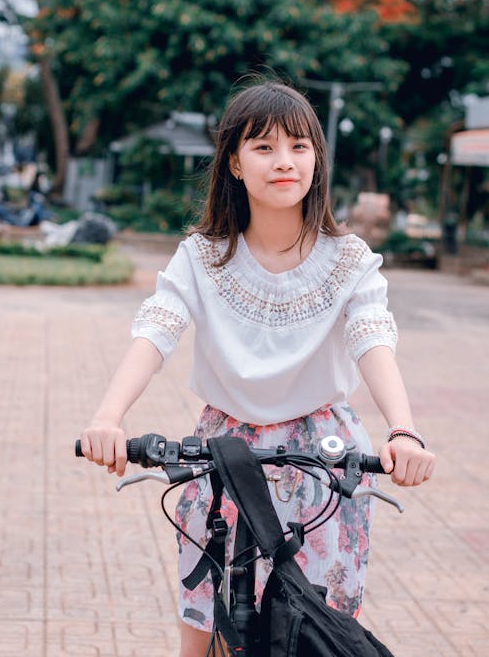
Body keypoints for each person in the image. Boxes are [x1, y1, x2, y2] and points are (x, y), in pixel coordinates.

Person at [80, 79, 435, 657]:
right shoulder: (203, 254)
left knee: (317, 635)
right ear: (235, 164)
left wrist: (403, 429)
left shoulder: (348, 259)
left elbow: (372, 337)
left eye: (298, 146)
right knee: (204, 630)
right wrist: (108, 417)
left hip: (322, 455)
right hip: (224, 450)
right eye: (263, 147)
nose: (284, 162)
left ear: (317, 160)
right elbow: (158, 328)